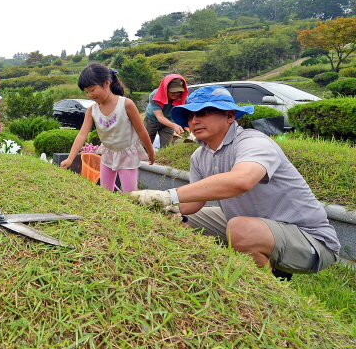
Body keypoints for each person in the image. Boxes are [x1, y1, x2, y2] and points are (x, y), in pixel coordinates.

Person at [130, 86, 340, 280]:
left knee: (241, 229)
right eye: (190, 115)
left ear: (229, 115)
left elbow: (242, 180)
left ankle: (267, 294)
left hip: (309, 238)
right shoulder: (199, 156)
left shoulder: (253, 141)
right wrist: (160, 204)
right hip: (251, 222)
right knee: (177, 218)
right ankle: (202, 274)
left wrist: (170, 194)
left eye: (203, 113)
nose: (194, 120)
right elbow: (193, 204)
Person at [60, 63, 155, 193]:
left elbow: (141, 130)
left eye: (92, 90)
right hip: (108, 153)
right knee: (105, 192)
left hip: (128, 154)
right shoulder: (92, 110)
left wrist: (150, 152)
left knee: (130, 194)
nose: (90, 95)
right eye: (86, 92)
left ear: (106, 83)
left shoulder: (126, 104)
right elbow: (82, 135)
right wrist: (70, 158)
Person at [144, 74, 188, 148]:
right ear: (165, 89)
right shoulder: (154, 96)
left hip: (169, 120)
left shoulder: (183, 97)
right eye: (173, 92)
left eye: (179, 91)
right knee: (146, 144)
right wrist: (174, 125)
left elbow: (185, 112)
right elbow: (159, 116)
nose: (176, 94)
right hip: (152, 120)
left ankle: (162, 159)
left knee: (166, 146)